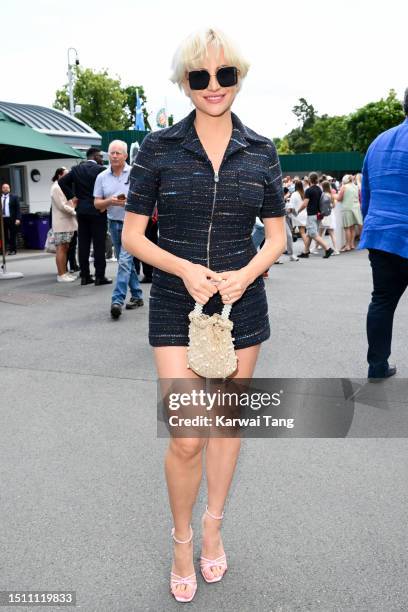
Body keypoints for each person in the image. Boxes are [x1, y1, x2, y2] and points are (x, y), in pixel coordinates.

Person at [122, 27, 286, 603]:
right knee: (188, 433)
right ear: (184, 82)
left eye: (225, 75)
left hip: (243, 302)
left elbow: (277, 233)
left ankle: (214, 524)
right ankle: (182, 537)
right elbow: (134, 236)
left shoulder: (262, 150)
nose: (213, 86)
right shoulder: (159, 148)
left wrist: (250, 271)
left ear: (239, 79)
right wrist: (184, 268)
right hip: (175, 299)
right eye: (200, 76)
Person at [359, 87, 408, 379]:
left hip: (381, 236)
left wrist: (371, 226)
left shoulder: (378, 142)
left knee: (382, 301)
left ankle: (377, 366)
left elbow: (367, 193)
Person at [94, 140, 144, 319]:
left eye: (117, 153)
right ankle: (137, 296)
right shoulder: (102, 177)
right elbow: (97, 204)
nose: (114, 156)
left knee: (123, 261)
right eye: (111, 153)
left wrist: (127, 202)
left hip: (132, 224)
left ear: (125, 155)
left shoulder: (134, 173)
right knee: (127, 263)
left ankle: (117, 300)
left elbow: (144, 200)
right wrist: (110, 201)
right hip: (113, 223)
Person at [59, 147, 112, 286]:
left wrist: (73, 197)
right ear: (94, 157)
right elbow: (107, 188)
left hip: (81, 210)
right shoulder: (101, 170)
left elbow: (61, 182)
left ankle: (85, 276)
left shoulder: (76, 169)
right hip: (97, 210)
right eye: (100, 156)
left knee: (83, 245)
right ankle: (100, 276)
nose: (102, 159)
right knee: (99, 244)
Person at [50, 167, 78, 282]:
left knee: (65, 247)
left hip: (66, 222)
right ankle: (61, 274)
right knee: (61, 248)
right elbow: (62, 206)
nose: (69, 177)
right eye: (66, 175)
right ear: (59, 175)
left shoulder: (61, 186)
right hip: (62, 222)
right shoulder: (56, 187)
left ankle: (64, 272)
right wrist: (74, 210)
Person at [297, 172, 334, 258]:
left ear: (310, 180)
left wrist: (298, 210)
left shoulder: (309, 190)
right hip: (318, 214)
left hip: (311, 214)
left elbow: (305, 204)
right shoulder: (319, 189)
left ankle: (327, 248)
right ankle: (305, 252)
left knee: (312, 233)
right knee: (309, 234)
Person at [337, 174, 363, 251]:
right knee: (352, 227)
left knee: (347, 227)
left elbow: (339, 198)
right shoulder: (356, 186)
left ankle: (347, 245)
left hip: (347, 208)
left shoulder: (344, 187)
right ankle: (352, 244)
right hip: (356, 208)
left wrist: (333, 196)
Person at [317, 180, 339, 254]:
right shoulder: (331, 194)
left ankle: (316, 247)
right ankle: (336, 249)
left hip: (325, 215)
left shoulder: (324, 195)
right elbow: (334, 205)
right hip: (331, 214)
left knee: (320, 232)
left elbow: (322, 206)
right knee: (330, 233)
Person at [288, 179, 308, 252]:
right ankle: (307, 247)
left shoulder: (294, 194)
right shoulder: (304, 193)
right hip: (304, 214)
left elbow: (291, 205)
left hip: (297, 214)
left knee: (302, 232)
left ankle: (307, 247)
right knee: (304, 232)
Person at [1, 183, 21, 255]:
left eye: (7, 187)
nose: (6, 189)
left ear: (9, 189)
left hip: (12, 219)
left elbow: (18, 209)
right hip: (2, 219)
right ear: (2, 189)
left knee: (12, 235)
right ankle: (4, 250)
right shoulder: (1, 197)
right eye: (4, 187)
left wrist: (18, 218)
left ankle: (13, 250)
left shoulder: (14, 197)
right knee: (3, 235)